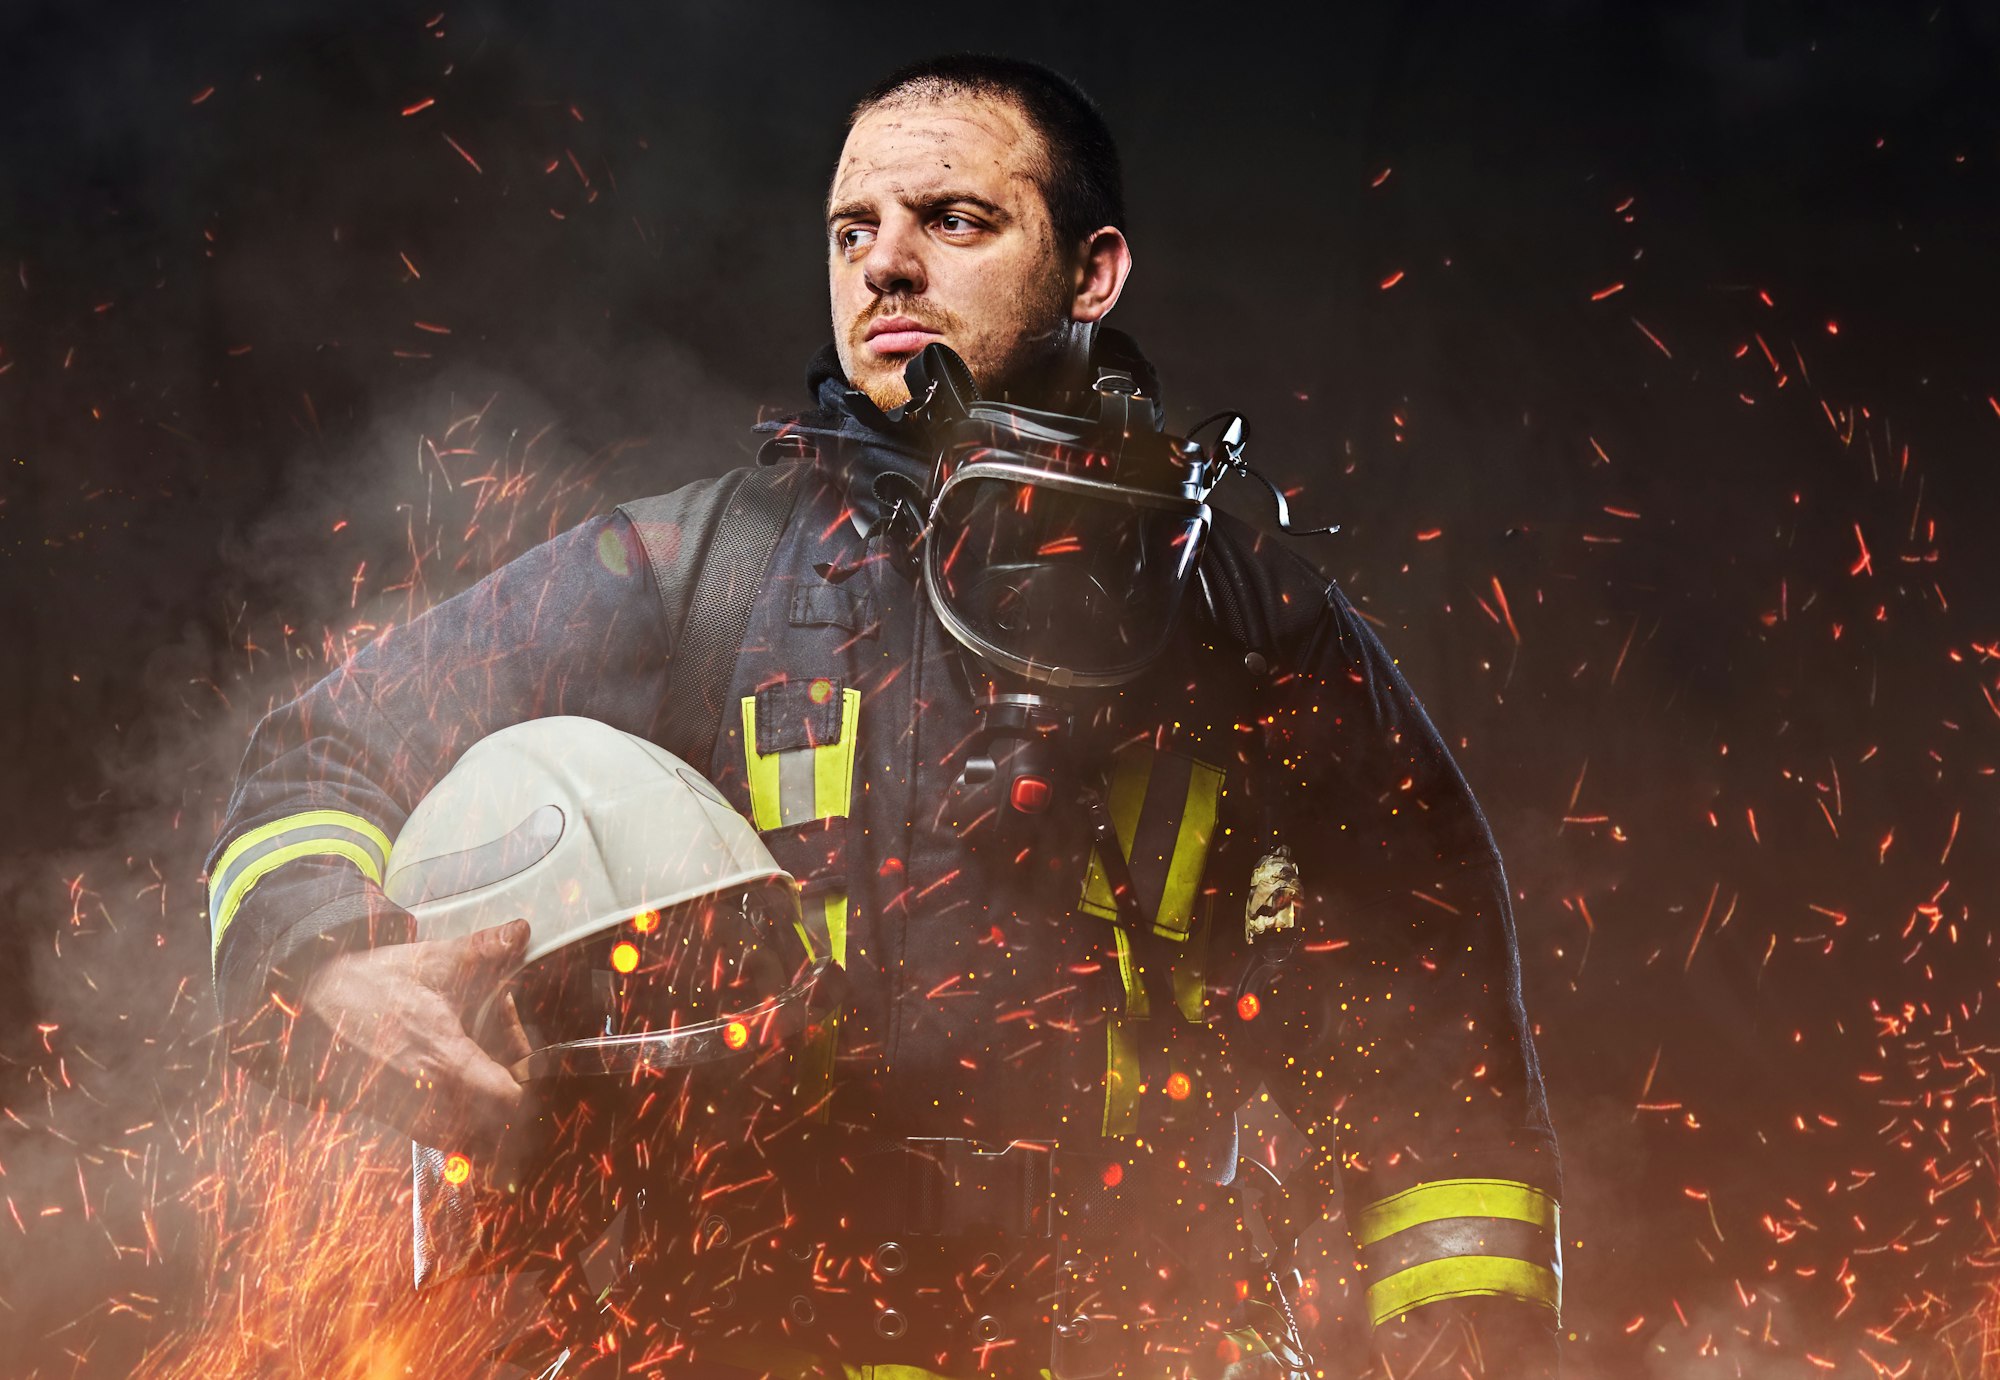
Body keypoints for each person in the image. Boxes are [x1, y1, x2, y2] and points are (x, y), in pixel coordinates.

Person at [205, 53, 1562, 1379]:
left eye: (955, 220)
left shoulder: (1246, 625)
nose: (886, 264)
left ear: (1092, 271)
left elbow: (1439, 1035)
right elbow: (318, 749)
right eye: (855, 227)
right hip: (754, 1333)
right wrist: (329, 957)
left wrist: (1469, 1338)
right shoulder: (702, 573)